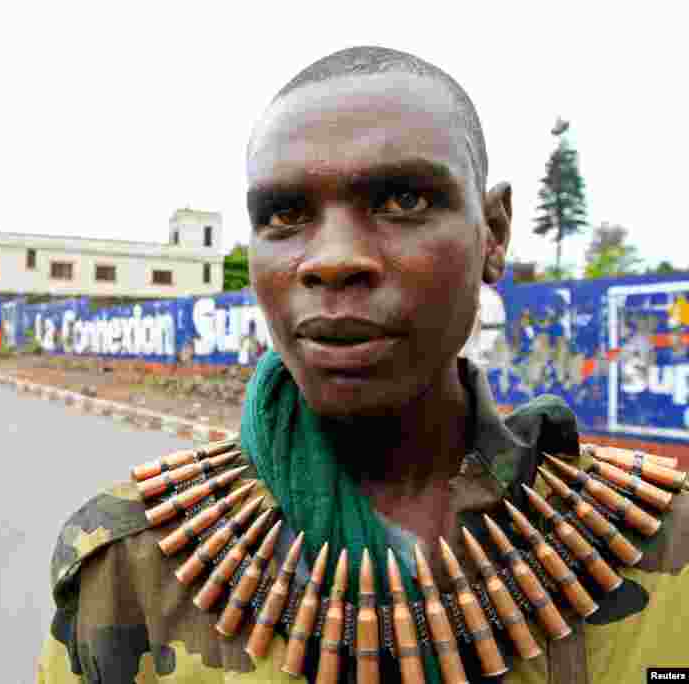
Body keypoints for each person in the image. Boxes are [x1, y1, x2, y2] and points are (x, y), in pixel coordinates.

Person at [37, 47, 689, 683]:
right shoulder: (133, 566)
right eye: (284, 214)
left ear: (493, 233)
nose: (333, 259)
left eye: (402, 200)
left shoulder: (663, 545)